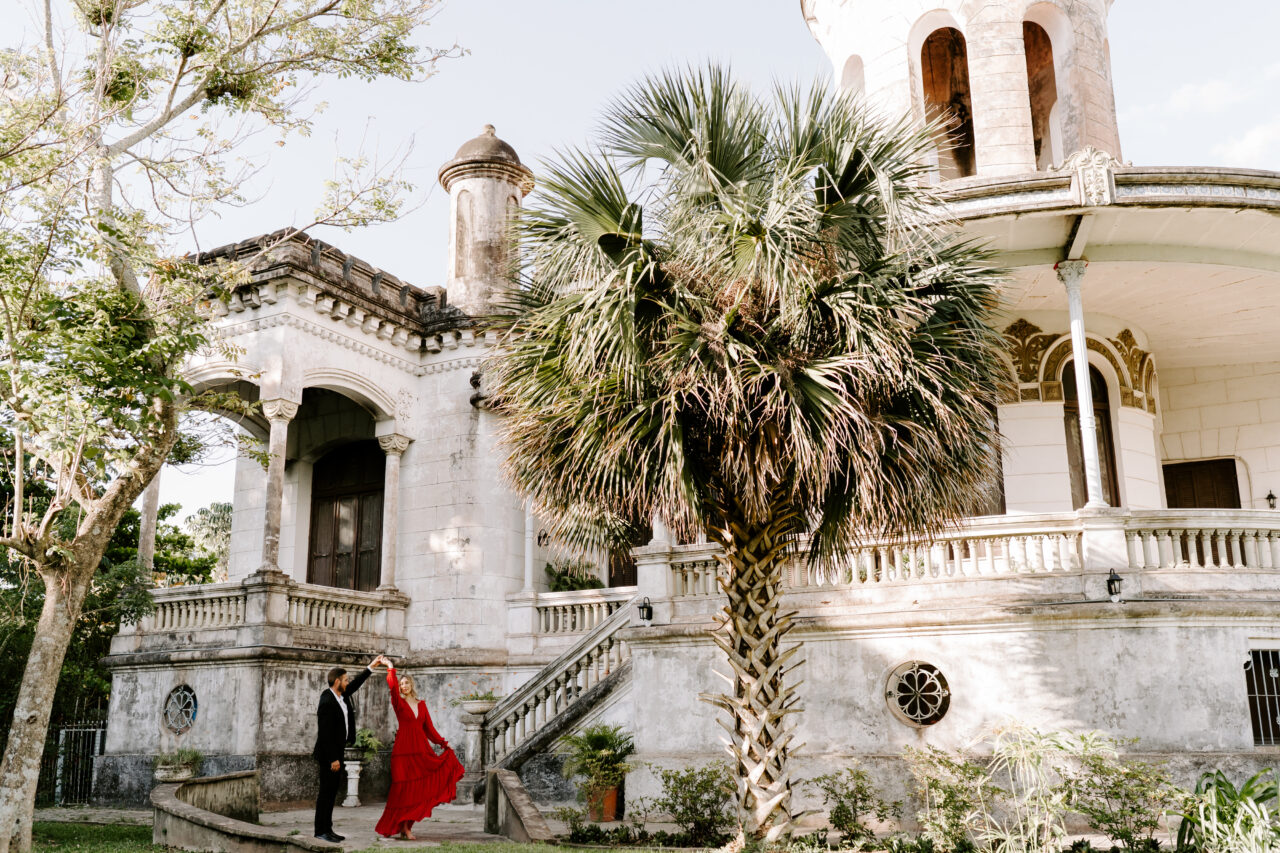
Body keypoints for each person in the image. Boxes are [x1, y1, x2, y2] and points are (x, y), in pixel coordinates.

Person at [374, 659, 465, 840]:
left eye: (406, 683)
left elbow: (429, 729)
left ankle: (407, 826)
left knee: (417, 791)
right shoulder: (398, 702)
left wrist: (443, 743)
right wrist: (390, 668)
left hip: (420, 750)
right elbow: (392, 688)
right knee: (402, 791)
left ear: (411, 685)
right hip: (402, 752)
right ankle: (402, 826)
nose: (403, 686)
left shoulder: (421, 704)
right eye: (401, 684)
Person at [312, 656, 380, 843]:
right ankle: (320, 831)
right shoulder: (327, 700)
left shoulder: (341, 695)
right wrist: (333, 758)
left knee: (332, 793)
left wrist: (371, 667)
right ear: (337, 682)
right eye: (345, 680)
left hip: (337, 751)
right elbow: (325, 733)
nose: (348, 682)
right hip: (328, 755)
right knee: (326, 793)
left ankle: (328, 829)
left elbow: (356, 683)